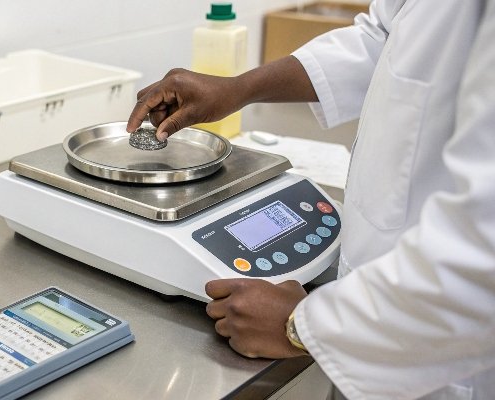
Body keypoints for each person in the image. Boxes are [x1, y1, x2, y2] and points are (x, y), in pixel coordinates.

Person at [127, 1, 495, 399]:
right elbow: (381, 38)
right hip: (376, 313)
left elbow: (481, 262)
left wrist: (301, 327)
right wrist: (238, 88)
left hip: (442, 363)